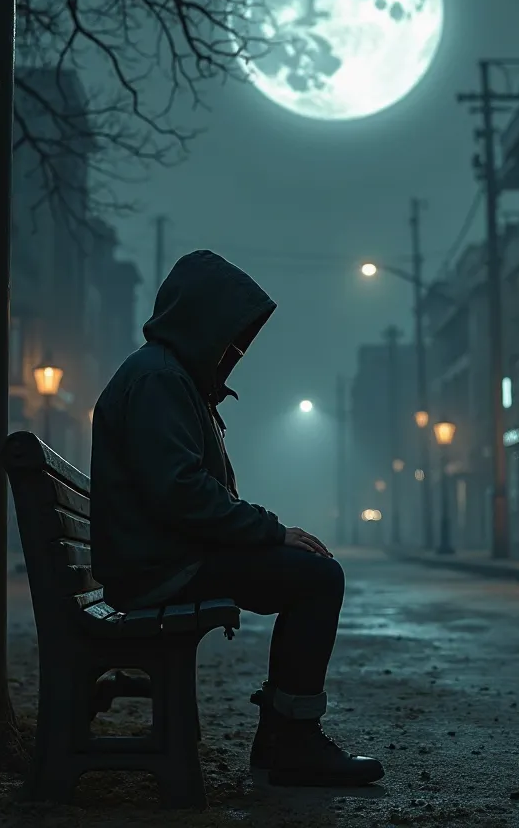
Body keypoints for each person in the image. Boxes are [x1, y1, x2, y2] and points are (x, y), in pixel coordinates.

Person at [90, 250, 384, 787]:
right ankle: (290, 741)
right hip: (159, 566)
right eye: (230, 333)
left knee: (307, 572)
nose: (236, 349)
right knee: (318, 578)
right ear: (203, 321)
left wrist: (262, 534)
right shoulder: (160, 380)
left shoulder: (166, 376)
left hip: (156, 557)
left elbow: (183, 493)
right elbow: (181, 493)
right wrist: (272, 531)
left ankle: (285, 737)